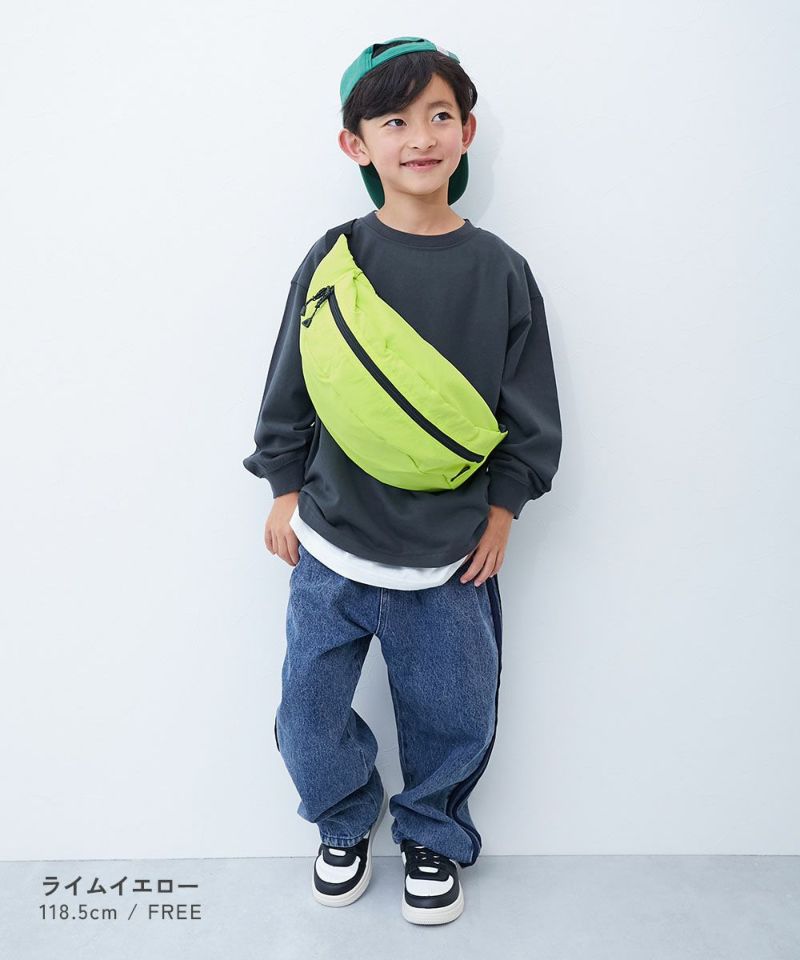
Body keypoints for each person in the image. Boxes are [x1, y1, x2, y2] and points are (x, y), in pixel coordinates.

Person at [242, 36, 562, 925]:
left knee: (455, 714)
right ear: (356, 143)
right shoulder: (335, 258)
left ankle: (431, 834)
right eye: (394, 120)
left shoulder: (500, 271)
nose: (420, 137)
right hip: (332, 542)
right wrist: (283, 487)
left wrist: (503, 514)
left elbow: (528, 408)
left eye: (440, 116)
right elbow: (292, 382)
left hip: (452, 554)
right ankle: (343, 823)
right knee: (307, 713)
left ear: (466, 132)